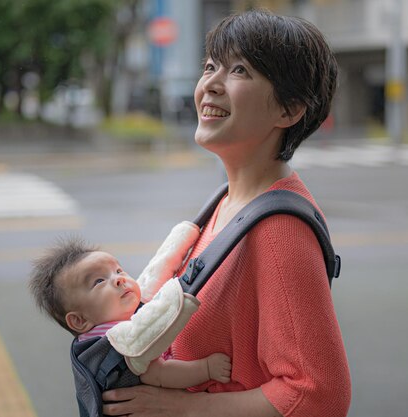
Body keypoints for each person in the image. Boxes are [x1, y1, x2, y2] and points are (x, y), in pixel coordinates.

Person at [101, 9, 352, 417]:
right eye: (210, 66)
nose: (210, 85)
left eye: (239, 70)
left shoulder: (279, 229)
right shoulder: (228, 202)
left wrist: (177, 407)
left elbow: (318, 395)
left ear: (288, 111)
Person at [29, 237, 232, 389]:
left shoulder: (113, 320)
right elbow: (159, 374)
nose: (118, 279)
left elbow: (152, 284)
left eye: (118, 271)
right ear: (80, 320)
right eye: (99, 281)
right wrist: (205, 369)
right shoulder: (115, 344)